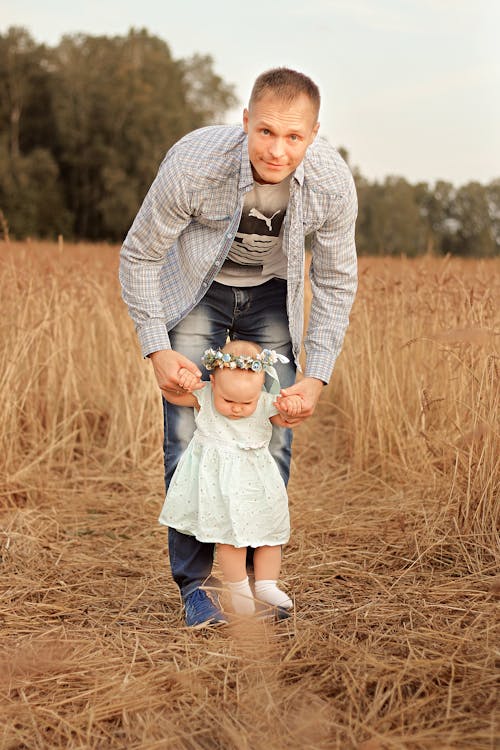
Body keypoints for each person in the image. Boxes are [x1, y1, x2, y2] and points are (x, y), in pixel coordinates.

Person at [120, 66, 358, 627]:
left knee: (270, 438)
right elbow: (140, 255)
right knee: (188, 437)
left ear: (314, 134)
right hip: (199, 291)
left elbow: (335, 280)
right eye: (267, 132)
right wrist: (157, 349)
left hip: (273, 296)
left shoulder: (330, 184)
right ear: (245, 121)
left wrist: (315, 378)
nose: (278, 150)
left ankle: (253, 585)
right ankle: (197, 587)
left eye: (294, 137)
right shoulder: (194, 165)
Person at [158, 340, 303, 619]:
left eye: (246, 402)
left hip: (256, 485)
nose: (237, 408)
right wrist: (185, 382)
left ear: (260, 388)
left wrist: (293, 404)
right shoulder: (207, 396)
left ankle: (266, 584)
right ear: (212, 382)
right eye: (229, 401)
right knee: (230, 540)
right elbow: (173, 397)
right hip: (220, 488)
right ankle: (239, 589)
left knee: (269, 536)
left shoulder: (263, 401)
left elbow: (286, 413)